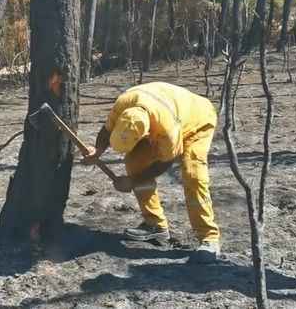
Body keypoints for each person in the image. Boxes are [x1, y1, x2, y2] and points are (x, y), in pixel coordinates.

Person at [84, 82, 221, 262]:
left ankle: (209, 238)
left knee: (193, 174)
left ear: (145, 132)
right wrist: (97, 151)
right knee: (134, 162)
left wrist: (133, 181)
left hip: (198, 121)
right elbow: (106, 131)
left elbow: (166, 162)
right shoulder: (123, 104)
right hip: (166, 113)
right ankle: (155, 225)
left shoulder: (167, 128)